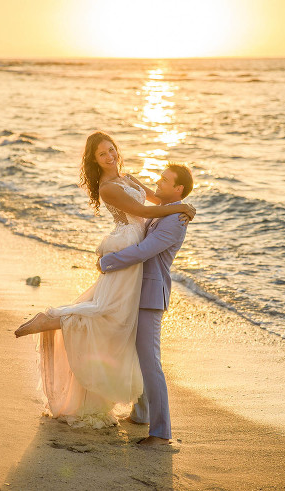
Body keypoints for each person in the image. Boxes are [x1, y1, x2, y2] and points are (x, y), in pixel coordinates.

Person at [14, 131, 195, 429]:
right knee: (108, 313)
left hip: (135, 250)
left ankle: (142, 413)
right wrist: (181, 206)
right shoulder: (108, 187)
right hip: (127, 246)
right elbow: (142, 210)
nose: (110, 156)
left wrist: (180, 204)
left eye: (111, 149)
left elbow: (154, 198)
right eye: (102, 154)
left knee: (117, 321)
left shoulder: (129, 178)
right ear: (94, 160)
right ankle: (52, 317)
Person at [96, 163, 194, 447]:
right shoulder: (165, 212)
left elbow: (144, 251)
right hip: (136, 291)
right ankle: (141, 414)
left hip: (151, 295)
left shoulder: (175, 220)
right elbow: (147, 198)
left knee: (151, 363)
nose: (159, 183)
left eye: (165, 181)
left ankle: (161, 433)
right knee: (139, 357)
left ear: (178, 189)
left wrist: (106, 262)